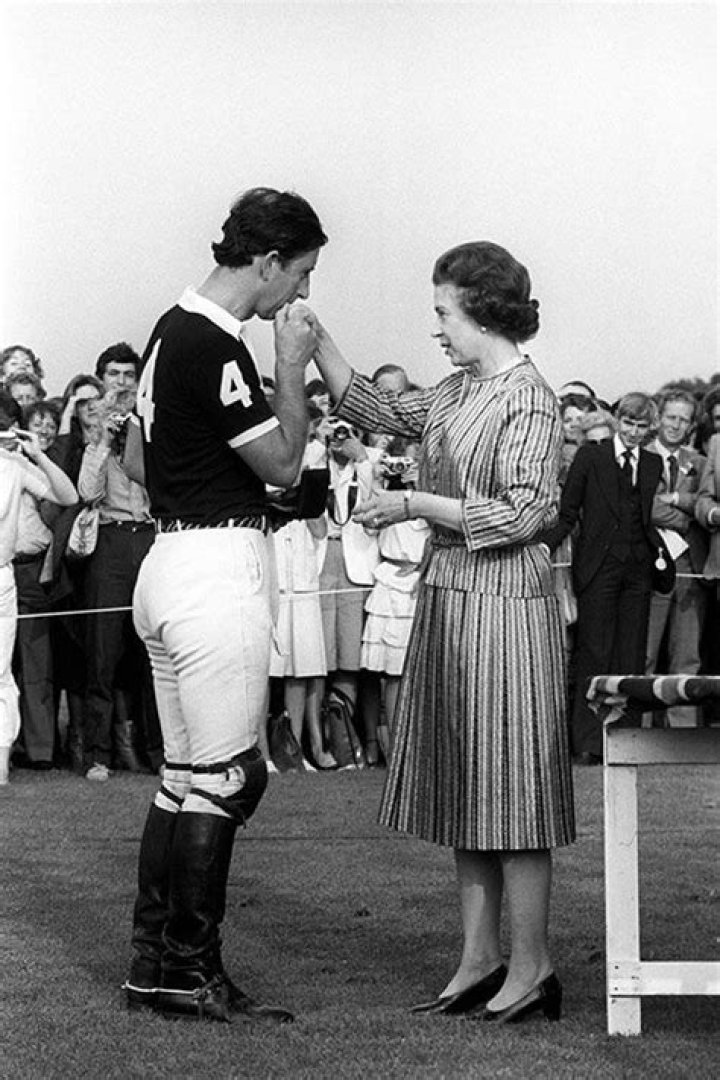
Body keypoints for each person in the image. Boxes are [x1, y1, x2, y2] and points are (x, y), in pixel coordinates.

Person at [312, 241, 574, 1023]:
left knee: (513, 788)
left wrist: (415, 505)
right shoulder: (459, 390)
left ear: (486, 311)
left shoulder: (530, 398)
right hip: (454, 598)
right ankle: (479, 959)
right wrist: (314, 334)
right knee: (467, 783)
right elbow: (382, 410)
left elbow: (527, 514)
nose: (437, 329)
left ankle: (533, 967)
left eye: (444, 312)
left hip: (508, 605)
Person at [123, 186, 327, 1023]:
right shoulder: (216, 342)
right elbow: (282, 465)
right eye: (301, 274)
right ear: (268, 260)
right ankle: (189, 970)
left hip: (166, 562)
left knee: (182, 778)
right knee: (227, 777)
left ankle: (153, 964)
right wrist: (289, 369)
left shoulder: (164, 331)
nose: (301, 296)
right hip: (215, 567)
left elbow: (137, 461)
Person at [542, 392, 666, 764]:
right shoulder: (590, 457)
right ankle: (587, 743)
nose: (633, 431)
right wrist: (541, 547)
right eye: (628, 423)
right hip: (598, 568)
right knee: (593, 653)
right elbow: (568, 515)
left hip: (638, 570)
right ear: (618, 421)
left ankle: (626, 740)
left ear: (649, 430)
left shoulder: (651, 463)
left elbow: (644, 517)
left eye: (641, 426)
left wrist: (658, 554)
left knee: (630, 655)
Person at [78, 345, 155, 780]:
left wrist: (136, 432)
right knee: (102, 653)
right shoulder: (93, 430)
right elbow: (87, 492)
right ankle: (98, 754)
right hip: (108, 541)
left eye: (129, 374)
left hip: (149, 537)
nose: (122, 382)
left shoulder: (149, 420)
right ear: (101, 378)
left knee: (154, 650)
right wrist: (104, 439)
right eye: (114, 374)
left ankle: (160, 752)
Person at [0, 391, 77, 784]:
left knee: (17, 669)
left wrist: (38, 456)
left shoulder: (17, 464)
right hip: (7, 570)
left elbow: (68, 496)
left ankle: (20, 759)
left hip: (16, 575)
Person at [644, 390, 708, 726]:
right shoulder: (640, 456)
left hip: (689, 567)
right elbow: (645, 506)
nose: (676, 425)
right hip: (649, 563)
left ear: (691, 425)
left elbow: (704, 502)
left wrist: (676, 497)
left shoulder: (699, 462)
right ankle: (635, 732)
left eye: (684, 420)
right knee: (646, 652)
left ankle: (683, 734)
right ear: (659, 417)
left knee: (687, 655)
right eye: (671, 417)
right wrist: (686, 514)